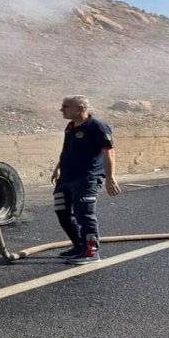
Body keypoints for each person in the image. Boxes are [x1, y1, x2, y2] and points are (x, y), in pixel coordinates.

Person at [51, 95, 121, 265]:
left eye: (66, 106)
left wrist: (110, 178)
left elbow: (109, 152)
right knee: (62, 212)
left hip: (87, 179)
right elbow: (67, 150)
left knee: (85, 215)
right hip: (66, 178)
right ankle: (79, 246)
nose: (61, 109)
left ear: (80, 109)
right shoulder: (70, 127)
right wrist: (57, 168)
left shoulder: (97, 126)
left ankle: (91, 252)